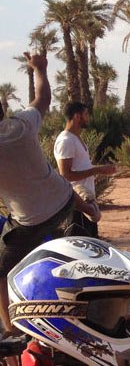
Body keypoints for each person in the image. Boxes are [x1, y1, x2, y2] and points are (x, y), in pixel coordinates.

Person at [0, 52, 92, 334]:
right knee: (58, 189)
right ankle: (89, 208)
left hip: (31, 221)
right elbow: (43, 98)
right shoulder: (22, 125)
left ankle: (10, 331)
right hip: (64, 201)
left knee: (0, 271)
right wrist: (40, 68)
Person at [54, 101, 117, 237]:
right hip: (76, 204)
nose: (88, 117)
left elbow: (79, 167)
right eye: (86, 114)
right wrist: (97, 170)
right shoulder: (66, 141)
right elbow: (66, 175)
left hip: (86, 203)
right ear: (77, 116)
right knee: (77, 250)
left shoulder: (75, 139)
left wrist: (98, 170)